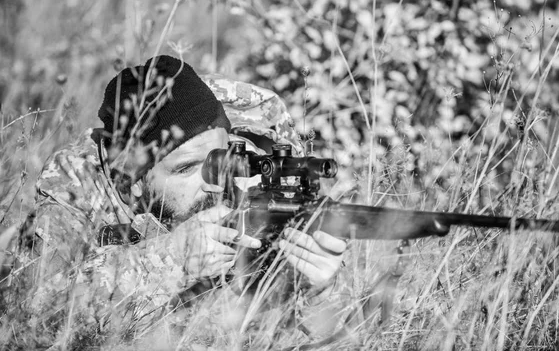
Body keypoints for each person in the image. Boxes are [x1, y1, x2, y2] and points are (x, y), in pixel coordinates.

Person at [14, 55, 349, 347]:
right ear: (133, 182)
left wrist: (317, 293)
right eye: (187, 168)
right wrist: (173, 259)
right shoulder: (77, 185)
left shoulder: (257, 165)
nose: (214, 182)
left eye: (222, 156)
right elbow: (39, 318)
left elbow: (342, 335)